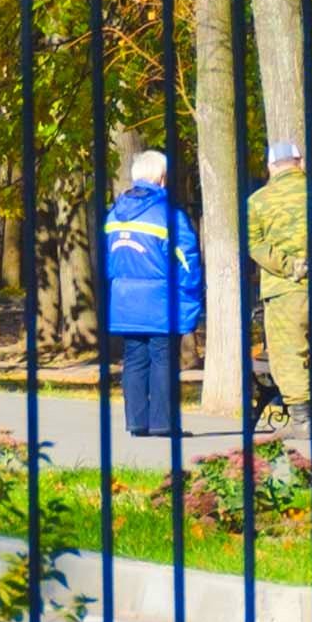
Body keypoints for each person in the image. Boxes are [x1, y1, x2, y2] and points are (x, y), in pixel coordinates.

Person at [99, 146, 205, 439]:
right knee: (163, 359)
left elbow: (107, 259)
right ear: (161, 178)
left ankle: (137, 423)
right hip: (160, 301)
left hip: (124, 300)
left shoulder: (114, 215)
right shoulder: (168, 216)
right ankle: (164, 424)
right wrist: (191, 295)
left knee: (134, 358)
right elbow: (188, 261)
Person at [241, 139, 312, 417]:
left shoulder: (257, 201)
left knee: (288, 350)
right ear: (300, 163)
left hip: (283, 289)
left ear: (270, 167)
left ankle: (302, 417)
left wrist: (290, 266)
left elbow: (253, 243)